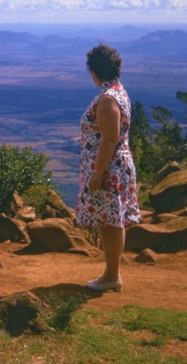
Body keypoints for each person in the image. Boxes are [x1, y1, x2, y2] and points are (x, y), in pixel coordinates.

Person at [76, 44, 140, 292]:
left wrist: (98, 172)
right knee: (112, 220)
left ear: (94, 72)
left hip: (109, 169)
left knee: (110, 222)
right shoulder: (117, 91)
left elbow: (109, 138)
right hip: (116, 166)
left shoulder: (107, 98)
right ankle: (112, 274)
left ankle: (112, 276)